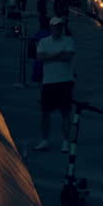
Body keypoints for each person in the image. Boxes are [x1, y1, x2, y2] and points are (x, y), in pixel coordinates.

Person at [35, 17, 77, 152]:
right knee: (45, 112)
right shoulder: (43, 42)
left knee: (65, 112)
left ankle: (66, 141)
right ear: (51, 28)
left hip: (65, 81)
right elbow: (40, 58)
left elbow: (68, 57)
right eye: (54, 27)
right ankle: (45, 139)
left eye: (59, 27)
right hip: (48, 81)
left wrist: (50, 56)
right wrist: (59, 54)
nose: (57, 29)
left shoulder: (69, 40)